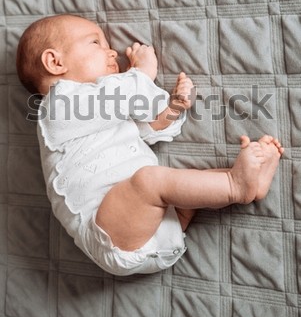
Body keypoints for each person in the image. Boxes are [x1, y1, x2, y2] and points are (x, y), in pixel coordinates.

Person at [16, 14, 284, 276]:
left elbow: (147, 128)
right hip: (108, 235)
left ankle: (252, 184)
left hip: (152, 231)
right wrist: (143, 71)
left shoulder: (98, 112)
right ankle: (236, 186)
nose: (113, 54)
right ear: (54, 61)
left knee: (180, 185)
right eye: (96, 43)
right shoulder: (59, 104)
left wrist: (174, 106)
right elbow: (124, 95)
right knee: (150, 181)